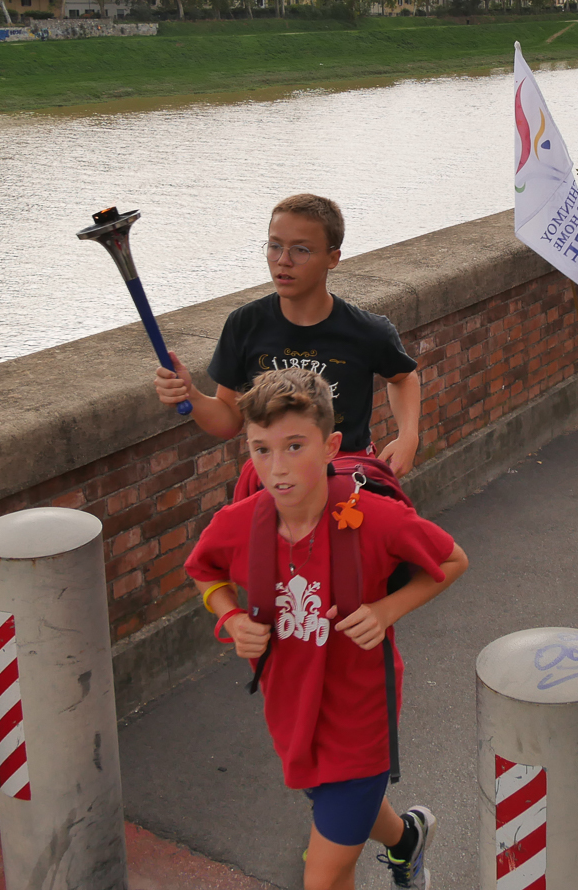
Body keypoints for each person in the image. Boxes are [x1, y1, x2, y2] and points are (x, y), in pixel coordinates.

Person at [186, 368, 469, 890]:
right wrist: (227, 615)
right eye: (261, 450)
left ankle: (359, 846)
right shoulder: (237, 524)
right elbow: (204, 570)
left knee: (321, 875)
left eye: (295, 446)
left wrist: (388, 610)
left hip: (361, 715)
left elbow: (452, 559)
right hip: (292, 709)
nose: (277, 469)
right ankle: (406, 838)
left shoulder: (375, 519)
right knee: (339, 812)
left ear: (331, 445)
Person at [155, 194, 423, 474]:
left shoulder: (367, 330)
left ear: (333, 258)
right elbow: (229, 421)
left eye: (300, 250)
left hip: (345, 480)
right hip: (273, 481)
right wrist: (191, 395)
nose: (283, 260)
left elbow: (403, 377)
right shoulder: (245, 324)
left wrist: (408, 436)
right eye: (275, 246)